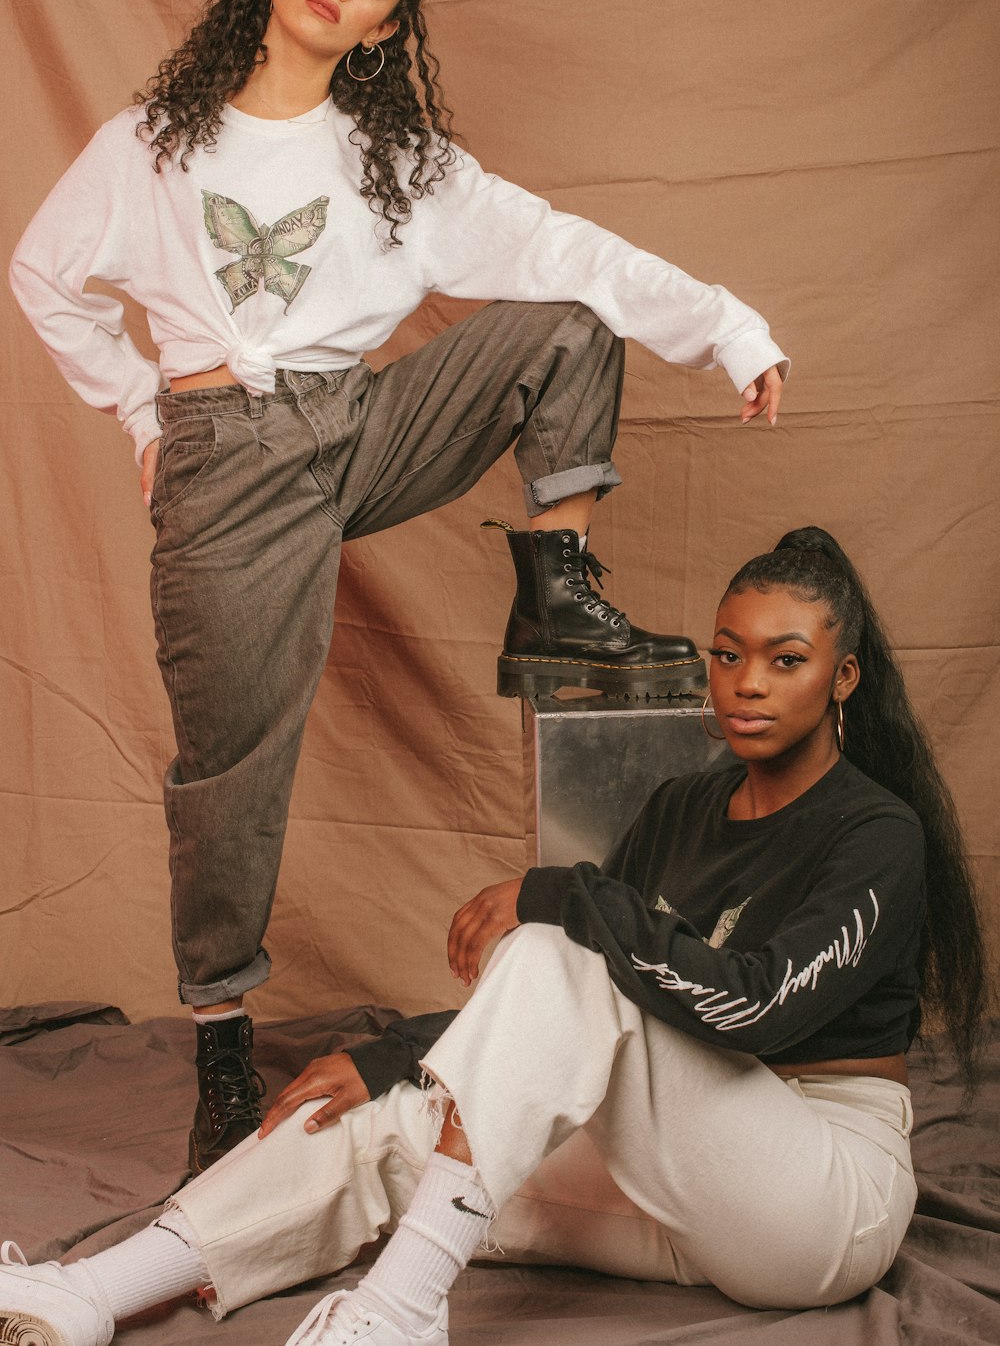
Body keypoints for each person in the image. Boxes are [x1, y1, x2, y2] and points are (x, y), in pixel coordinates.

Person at [8, 0, 788, 1172]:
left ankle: (557, 583)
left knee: (564, 318)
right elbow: (45, 275)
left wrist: (727, 327)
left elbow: (566, 249)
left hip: (355, 426)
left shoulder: (397, 165)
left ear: (384, 28)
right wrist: (144, 416)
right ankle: (218, 1034)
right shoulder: (156, 140)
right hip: (225, 462)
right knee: (228, 769)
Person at [1, 527, 987, 1346]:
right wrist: (394, 1055)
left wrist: (557, 892)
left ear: (842, 675)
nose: (746, 683)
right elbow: (569, 1013)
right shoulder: (685, 805)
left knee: (561, 946)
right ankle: (91, 1292)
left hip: (813, 1198)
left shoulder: (876, 835)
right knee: (383, 1118)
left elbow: (754, 1009)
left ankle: (399, 1307)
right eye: (727, 653)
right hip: (671, 1188)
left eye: (785, 659)